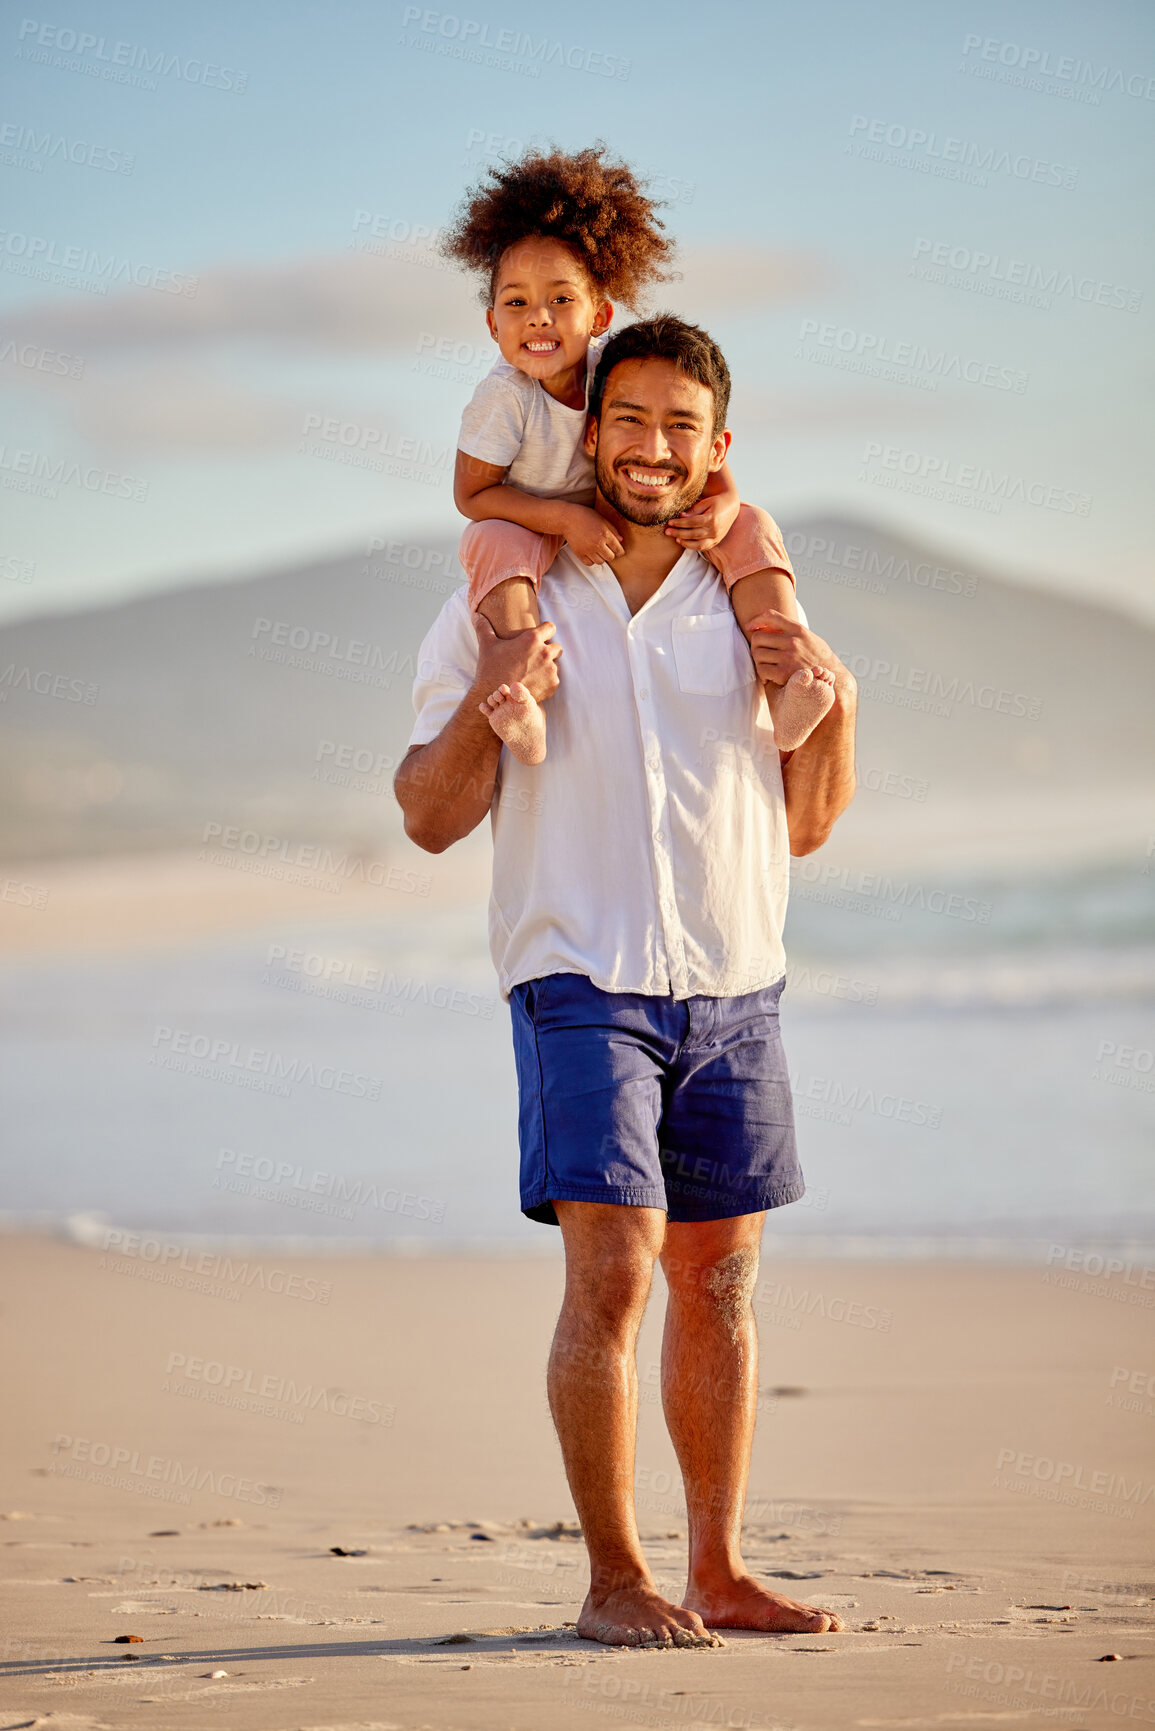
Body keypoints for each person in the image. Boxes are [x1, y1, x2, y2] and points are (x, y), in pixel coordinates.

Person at [394, 314, 857, 1649]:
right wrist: (494, 687)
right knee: (613, 1272)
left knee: (719, 1281)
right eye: (628, 419)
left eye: (679, 425)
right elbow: (426, 813)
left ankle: (716, 1565)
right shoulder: (511, 589)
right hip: (576, 976)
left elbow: (807, 817)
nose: (650, 446)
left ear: (716, 448)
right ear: (587, 433)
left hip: (734, 984)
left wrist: (837, 699)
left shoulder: (751, 594)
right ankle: (612, 1574)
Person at [443, 144, 835, 766]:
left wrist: (726, 503)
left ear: (599, 314)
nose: (538, 318)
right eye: (516, 303)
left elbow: (700, 451)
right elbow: (471, 495)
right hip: (532, 519)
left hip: (622, 511)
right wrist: (567, 520)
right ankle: (522, 702)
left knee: (752, 523)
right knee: (493, 540)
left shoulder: (616, 371)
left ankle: (790, 685)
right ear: (493, 325)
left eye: (560, 300)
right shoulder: (503, 399)